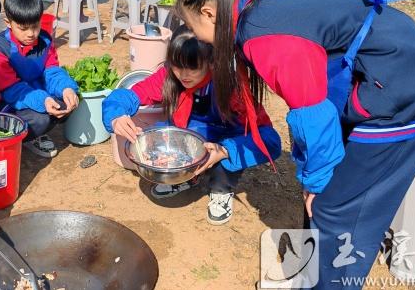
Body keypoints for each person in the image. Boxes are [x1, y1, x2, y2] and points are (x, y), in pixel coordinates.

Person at [174, 0, 415, 290]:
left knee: (335, 210)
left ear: (209, 14)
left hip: (408, 87)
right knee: (320, 196)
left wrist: (318, 184)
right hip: (385, 74)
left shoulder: (263, 37)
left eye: (192, 25)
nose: (195, 36)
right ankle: (309, 279)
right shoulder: (257, 13)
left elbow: (313, 117)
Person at [102, 26, 281, 225]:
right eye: (178, 66)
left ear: (211, 62)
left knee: (224, 164)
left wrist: (224, 151)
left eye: (193, 67)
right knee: (161, 134)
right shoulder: (169, 76)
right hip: (187, 135)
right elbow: (128, 95)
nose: (184, 75)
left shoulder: (230, 88)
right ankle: (185, 178)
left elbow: (269, 139)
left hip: (223, 139)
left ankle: (221, 190)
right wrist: (116, 115)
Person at [0, 0, 79, 158]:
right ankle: (22, 137)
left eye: (35, 26)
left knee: (67, 101)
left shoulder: (45, 40)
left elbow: (52, 72)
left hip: (35, 90)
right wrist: (43, 100)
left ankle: (31, 131)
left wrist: (66, 88)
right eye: (23, 28)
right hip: (5, 99)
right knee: (41, 119)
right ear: (8, 23)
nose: (31, 34)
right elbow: (12, 90)